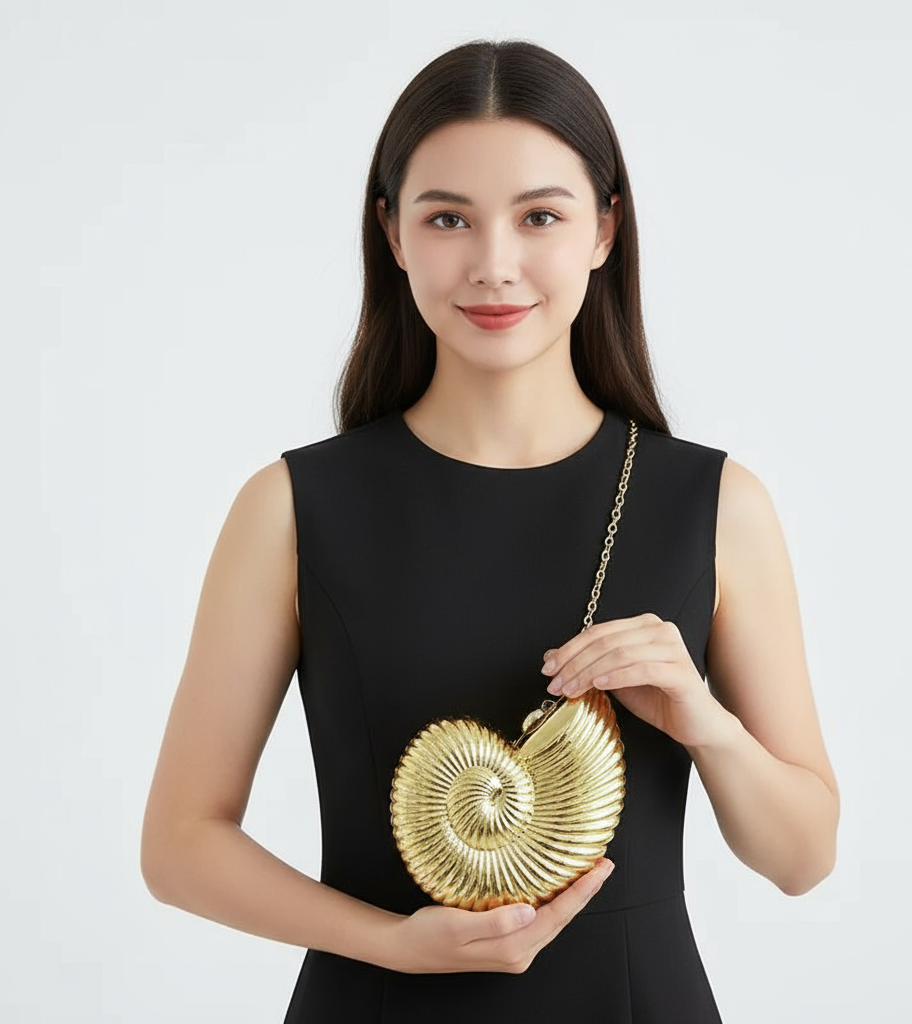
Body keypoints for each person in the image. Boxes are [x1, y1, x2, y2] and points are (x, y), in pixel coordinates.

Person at [141, 38, 840, 1023]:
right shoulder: (292, 506)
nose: (493, 265)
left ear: (604, 229)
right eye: (448, 219)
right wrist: (390, 942)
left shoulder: (715, 504)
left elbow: (803, 857)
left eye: (540, 216)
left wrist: (702, 720)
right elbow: (178, 844)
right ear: (392, 233)